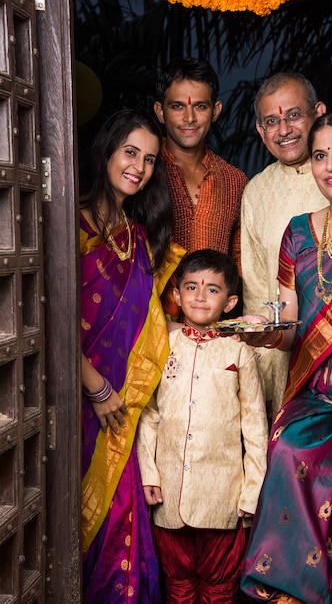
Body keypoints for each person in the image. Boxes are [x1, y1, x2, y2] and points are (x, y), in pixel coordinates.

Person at [239, 111, 332, 603]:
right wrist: (266, 337)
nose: (330, 166)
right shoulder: (299, 233)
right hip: (319, 384)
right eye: (320, 155)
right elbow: (289, 325)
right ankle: (289, 594)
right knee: (289, 450)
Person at [80, 108, 185, 603]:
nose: (139, 168)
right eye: (130, 153)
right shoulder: (69, 225)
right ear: (106, 152)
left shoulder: (139, 237)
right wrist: (95, 387)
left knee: (120, 518)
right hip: (78, 401)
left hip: (122, 410)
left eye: (148, 160)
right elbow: (52, 315)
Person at [240, 72, 332, 419]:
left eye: (294, 115)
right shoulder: (255, 193)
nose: (284, 129)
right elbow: (256, 282)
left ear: (318, 113)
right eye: (271, 121)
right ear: (261, 130)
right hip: (295, 358)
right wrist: (261, 340)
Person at [137, 249, 268, 604]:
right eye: (191, 287)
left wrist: (251, 492)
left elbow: (255, 429)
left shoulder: (238, 352)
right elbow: (148, 415)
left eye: (212, 289)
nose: (199, 295)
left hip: (223, 498)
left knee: (220, 589)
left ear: (230, 302)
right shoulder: (164, 346)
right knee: (177, 586)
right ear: (177, 296)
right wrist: (149, 473)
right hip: (170, 494)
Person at [154, 57, 248, 318]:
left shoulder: (235, 181)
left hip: (214, 337)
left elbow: (240, 266)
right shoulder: (144, 171)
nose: (189, 117)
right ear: (160, 111)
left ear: (215, 111)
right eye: (177, 106)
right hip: (148, 333)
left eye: (200, 106)